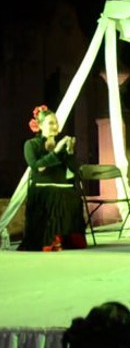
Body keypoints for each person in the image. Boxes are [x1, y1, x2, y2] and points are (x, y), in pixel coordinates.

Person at [18, 105, 87, 251]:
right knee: (51, 195)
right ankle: (51, 238)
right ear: (40, 126)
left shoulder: (62, 144)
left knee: (72, 196)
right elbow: (38, 167)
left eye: (56, 123)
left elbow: (74, 170)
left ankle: (67, 237)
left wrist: (69, 152)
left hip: (62, 186)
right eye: (50, 123)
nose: (55, 126)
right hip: (42, 187)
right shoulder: (31, 145)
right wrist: (55, 151)